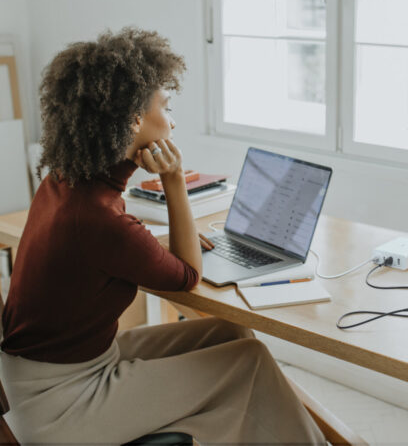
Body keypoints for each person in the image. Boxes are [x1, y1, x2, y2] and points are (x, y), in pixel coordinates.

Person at [0, 27, 325, 445]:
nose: (172, 121)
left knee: (230, 334)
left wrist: (150, 239)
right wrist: (174, 179)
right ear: (134, 119)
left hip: (44, 372)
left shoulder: (67, 180)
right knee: (250, 362)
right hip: (61, 402)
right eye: (166, 107)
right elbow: (188, 274)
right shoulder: (100, 219)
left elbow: (102, 245)